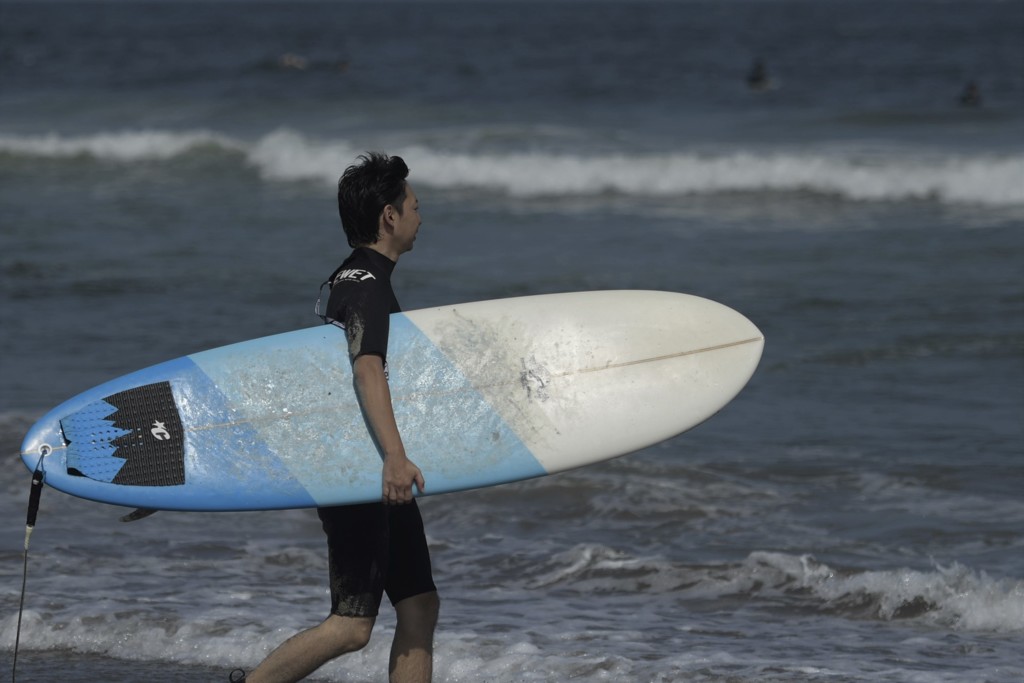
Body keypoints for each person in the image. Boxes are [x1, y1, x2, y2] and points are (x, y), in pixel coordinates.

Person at [231, 152, 439, 683]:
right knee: (351, 626)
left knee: (419, 605)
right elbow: (367, 369)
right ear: (390, 217)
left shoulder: (346, 277)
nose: (421, 215)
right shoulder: (369, 284)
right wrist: (395, 456)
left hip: (369, 463)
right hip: (360, 470)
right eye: (414, 205)